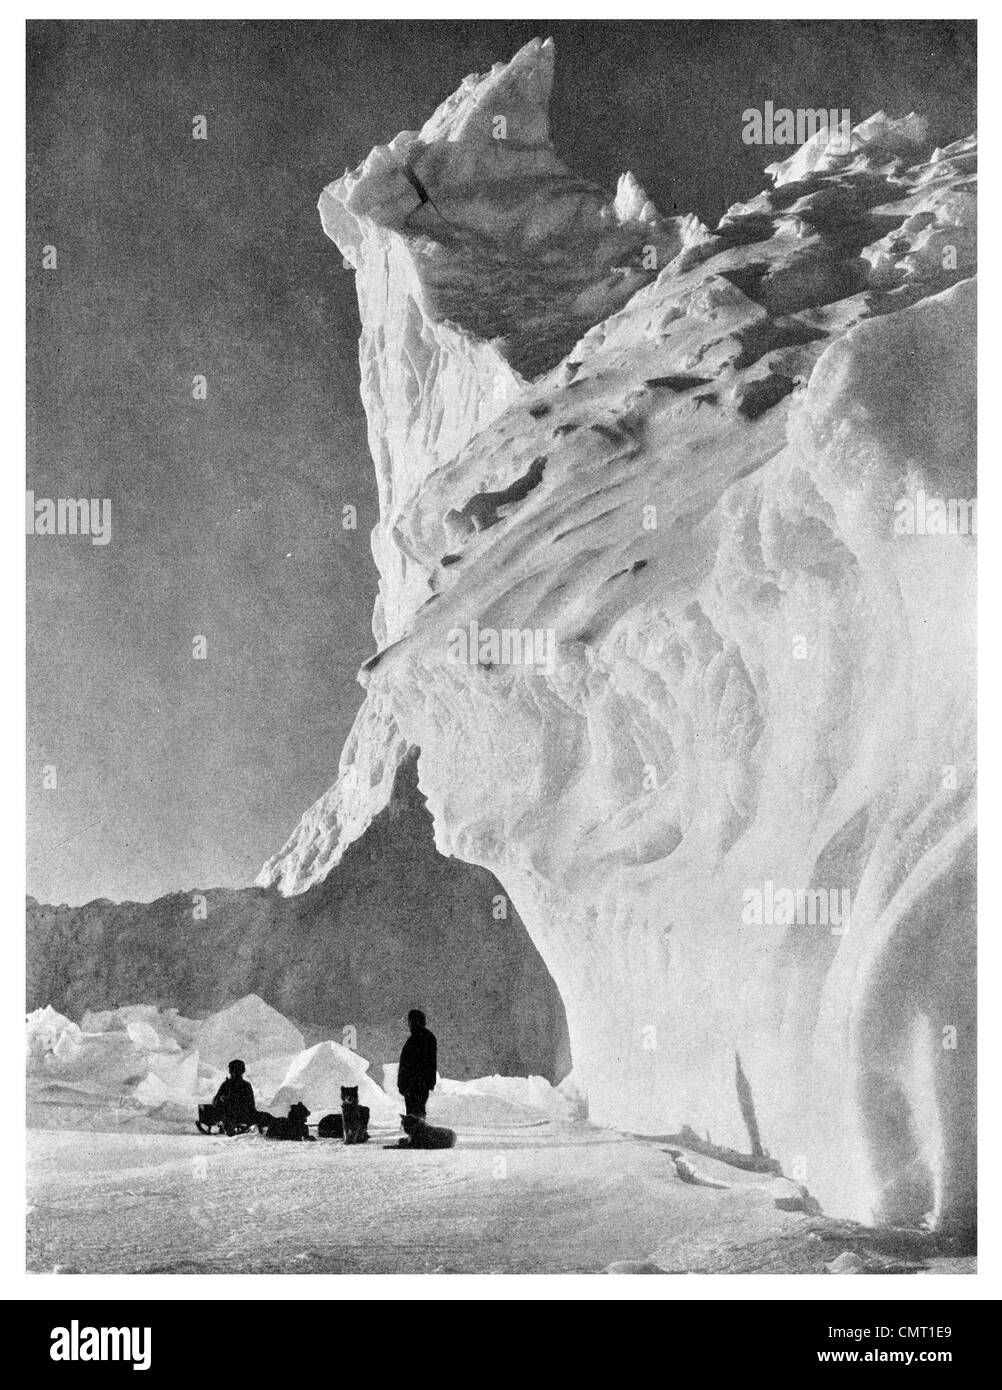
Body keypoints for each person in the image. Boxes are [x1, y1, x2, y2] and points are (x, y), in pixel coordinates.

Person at [397, 1009, 437, 1118]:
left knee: (414, 1116)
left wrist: (402, 1083)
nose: (409, 1023)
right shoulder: (427, 1037)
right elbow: (431, 1063)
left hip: (414, 1085)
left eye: (411, 1020)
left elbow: (409, 1064)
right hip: (418, 1085)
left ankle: (417, 1135)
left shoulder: (416, 1038)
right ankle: (419, 1134)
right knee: (417, 1114)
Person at [212, 1058, 257, 1134]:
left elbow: (251, 1104)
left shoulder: (246, 1085)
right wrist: (220, 1099)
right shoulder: (226, 1085)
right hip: (229, 1115)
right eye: (235, 1071)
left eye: (238, 1071)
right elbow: (215, 1101)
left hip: (242, 1115)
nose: (236, 1073)